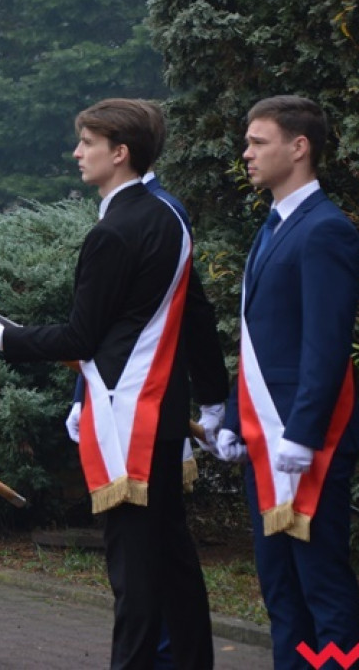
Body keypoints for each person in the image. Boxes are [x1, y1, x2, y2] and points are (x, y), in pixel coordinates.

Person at [0, 99, 227, 670]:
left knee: (132, 567)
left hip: (129, 411)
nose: (77, 153)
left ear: (120, 152)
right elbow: (193, 314)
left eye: (87, 142)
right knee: (173, 560)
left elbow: (81, 338)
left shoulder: (114, 231)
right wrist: (215, 396)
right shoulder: (168, 211)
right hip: (158, 404)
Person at [214, 95, 359, 667]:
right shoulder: (275, 226)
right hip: (264, 438)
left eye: (258, 142)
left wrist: (301, 432)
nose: (246, 153)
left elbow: (325, 346)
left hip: (305, 443)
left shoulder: (325, 230)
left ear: (299, 147)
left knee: (322, 585)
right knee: (281, 589)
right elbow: (259, 341)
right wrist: (231, 414)